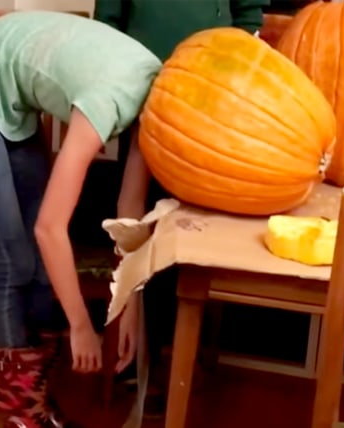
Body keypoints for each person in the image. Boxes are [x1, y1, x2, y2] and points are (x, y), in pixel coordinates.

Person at [0, 10, 160, 428]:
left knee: (34, 256)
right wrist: (81, 326)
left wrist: (130, 308)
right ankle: (22, 411)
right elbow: (49, 228)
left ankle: (34, 391)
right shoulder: (111, 99)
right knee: (13, 257)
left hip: (8, 97)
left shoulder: (160, 102)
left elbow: (129, 212)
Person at [94, 0, 270, 418]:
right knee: (140, 228)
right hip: (141, 99)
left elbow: (248, 16)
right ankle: (136, 356)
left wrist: (229, 83)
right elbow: (106, 24)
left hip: (209, 107)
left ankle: (174, 356)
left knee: (191, 231)